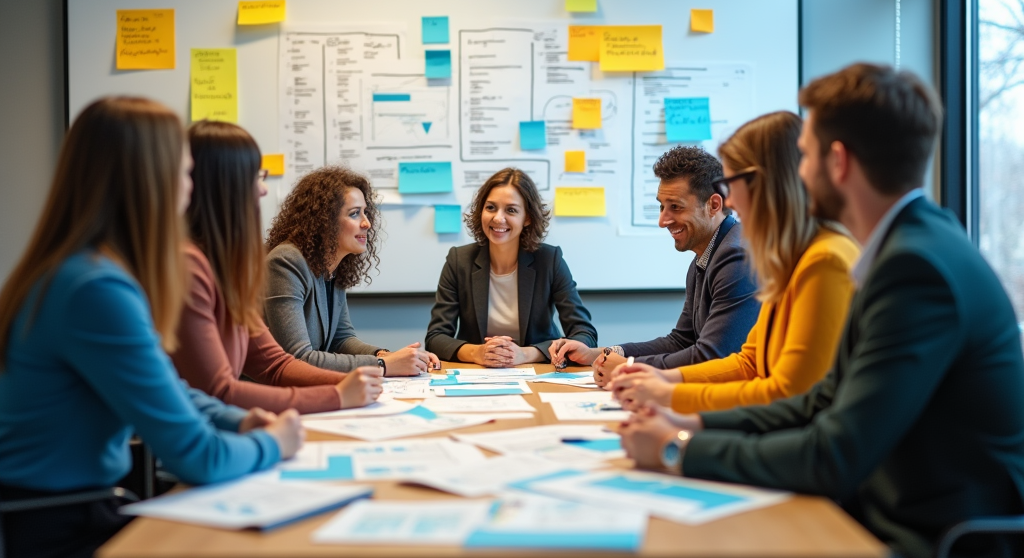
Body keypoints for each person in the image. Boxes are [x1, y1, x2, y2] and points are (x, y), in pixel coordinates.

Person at [618, 64, 1024, 558]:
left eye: (804, 154)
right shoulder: (904, 249)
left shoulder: (914, 270)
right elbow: (819, 401)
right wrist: (694, 427)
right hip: (877, 513)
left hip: (931, 551)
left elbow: (834, 453)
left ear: (838, 162)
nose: (797, 170)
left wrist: (678, 449)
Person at [0, 98, 303, 558]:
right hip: (52, 538)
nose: (190, 192)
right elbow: (197, 457)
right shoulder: (96, 289)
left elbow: (172, 392)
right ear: (149, 182)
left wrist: (238, 420)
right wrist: (272, 443)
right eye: (185, 175)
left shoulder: (83, 271)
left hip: (70, 515)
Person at [608, 112, 858, 414]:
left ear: (764, 184)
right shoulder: (789, 259)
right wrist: (661, 378)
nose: (731, 201)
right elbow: (749, 362)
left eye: (731, 183)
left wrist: (669, 397)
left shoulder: (824, 260)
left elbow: (788, 394)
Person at [172, 121, 383, 414]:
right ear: (224, 185)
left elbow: (274, 364)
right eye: (256, 177)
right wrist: (342, 391)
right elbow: (218, 391)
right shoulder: (189, 268)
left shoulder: (228, 268)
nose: (262, 190)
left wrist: (356, 381)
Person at [549, 145, 759, 385]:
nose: (662, 221)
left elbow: (711, 357)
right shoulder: (705, 257)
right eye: (661, 206)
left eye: (676, 207)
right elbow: (680, 341)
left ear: (713, 205)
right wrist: (597, 354)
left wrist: (628, 368)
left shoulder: (736, 259)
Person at [265, 166, 439, 376]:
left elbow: (342, 339)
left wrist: (386, 355)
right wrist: (384, 365)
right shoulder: (286, 262)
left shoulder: (332, 265)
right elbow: (298, 358)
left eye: (365, 212)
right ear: (324, 220)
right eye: (355, 213)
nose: (367, 223)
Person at [425, 167, 598, 367]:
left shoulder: (549, 260)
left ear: (527, 218)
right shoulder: (459, 260)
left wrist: (526, 354)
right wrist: (477, 352)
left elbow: (585, 335)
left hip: (539, 371)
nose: (498, 218)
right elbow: (435, 337)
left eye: (511, 210)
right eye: (490, 207)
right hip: (476, 372)